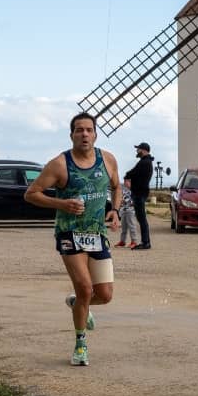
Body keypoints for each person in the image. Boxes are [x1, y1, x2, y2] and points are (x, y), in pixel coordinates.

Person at [25, 112, 121, 367]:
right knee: (85, 288)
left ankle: (77, 303)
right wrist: (62, 204)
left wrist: (115, 210)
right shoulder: (59, 164)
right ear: (72, 135)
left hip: (97, 233)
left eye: (89, 130)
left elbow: (117, 186)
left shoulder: (108, 159)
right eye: (79, 130)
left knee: (105, 295)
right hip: (70, 233)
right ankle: (80, 345)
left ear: (95, 134)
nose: (84, 134)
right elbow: (31, 194)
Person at [126, 142, 154, 250]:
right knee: (141, 218)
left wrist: (126, 176)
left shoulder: (144, 162)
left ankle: (145, 242)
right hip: (140, 193)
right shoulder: (146, 161)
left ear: (143, 150)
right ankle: (145, 242)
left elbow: (133, 172)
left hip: (139, 193)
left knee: (142, 219)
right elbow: (134, 173)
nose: (137, 151)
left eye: (138, 149)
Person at [116, 174, 139, 249]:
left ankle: (134, 241)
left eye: (127, 181)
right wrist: (120, 201)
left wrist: (126, 201)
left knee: (132, 226)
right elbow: (120, 196)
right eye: (124, 181)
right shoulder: (123, 188)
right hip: (123, 210)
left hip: (131, 211)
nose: (125, 182)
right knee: (123, 227)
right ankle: (122, 241)